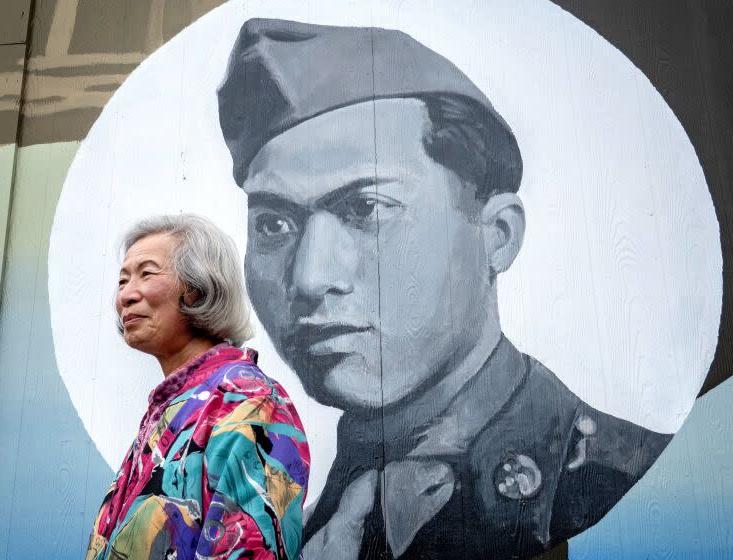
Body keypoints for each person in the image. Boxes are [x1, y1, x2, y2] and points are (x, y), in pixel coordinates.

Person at [217, 18, 671, 559]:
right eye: (274, 225)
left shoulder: (640, 486)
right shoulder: (309, 529)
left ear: (497, 236)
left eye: (366, 208)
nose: (311, 278)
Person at [85, 214, 310, 560]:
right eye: (122, 280)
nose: (126, 296)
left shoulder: (246, 400)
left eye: (147, 273)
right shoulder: (172, 408)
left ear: (197, 287)